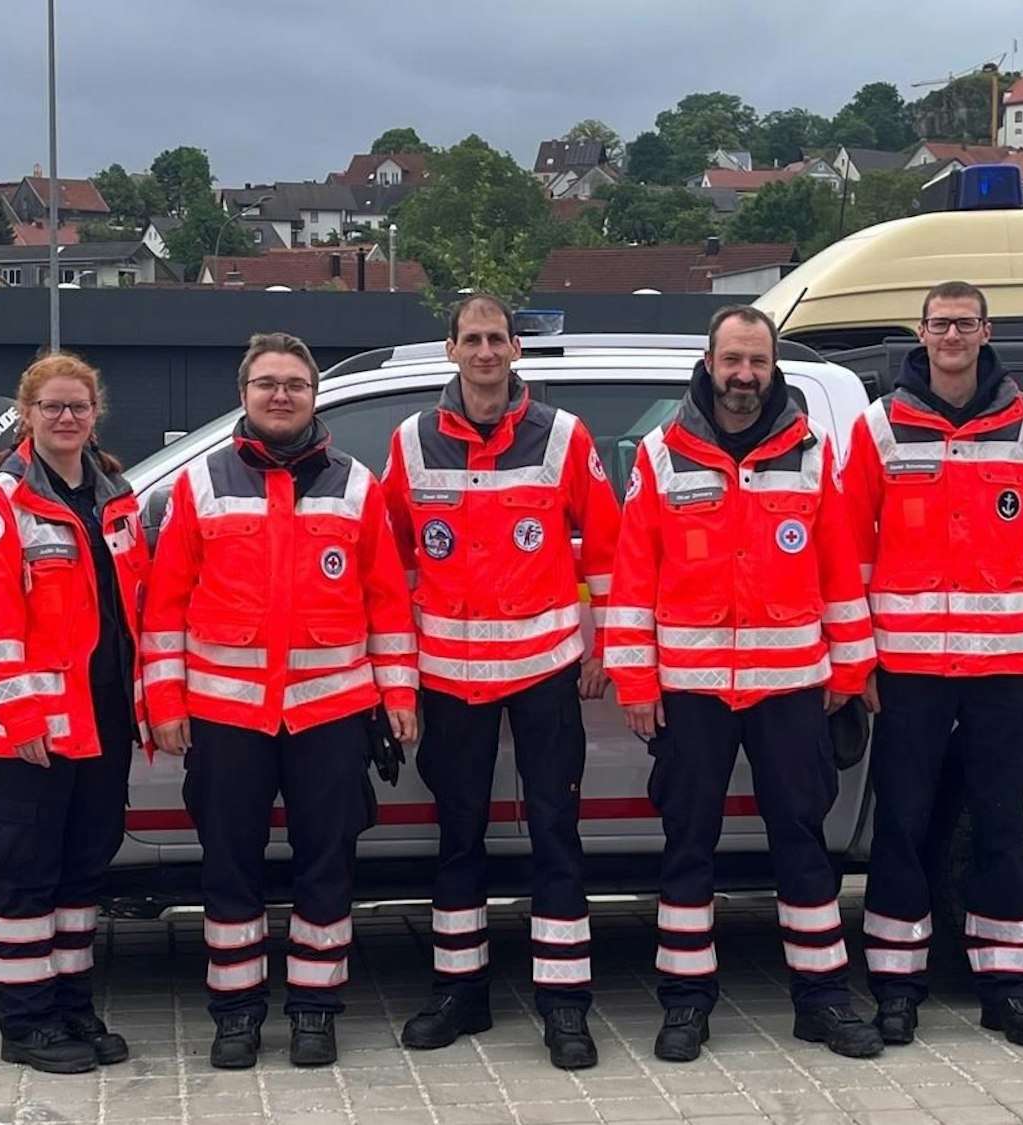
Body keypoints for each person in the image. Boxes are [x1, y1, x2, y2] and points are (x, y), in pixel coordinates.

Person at [603, 305, 883, 1064]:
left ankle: (822, 998)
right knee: (686, 845)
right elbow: (634, 578)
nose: (744, 375)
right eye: (733, 360)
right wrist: (635, 677)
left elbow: (838, 571)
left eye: (757, 361)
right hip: (691, 690)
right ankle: (686, 1003)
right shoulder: (663, 455)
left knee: (804, 844)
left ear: (771, 367)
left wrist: (852, 669)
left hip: (793, 685)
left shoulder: (809, 452)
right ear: (710, 361)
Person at [145, 332, 420, 1070]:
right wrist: (165, 701)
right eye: (267, 383)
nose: (281, 394)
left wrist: (398, 692)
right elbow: (165, 605)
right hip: (227, 714)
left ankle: (314, 1009)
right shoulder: (201, 485)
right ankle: (235, 1012)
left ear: (313, 395)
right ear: (244, 394)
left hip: (331, 714)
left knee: (325, 864)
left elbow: (387, 605)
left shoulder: (356, 486)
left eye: (295, 383)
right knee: (228, 865)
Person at [842, 281, 1023, 1049]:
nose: (951, 335)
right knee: (903, 827)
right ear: (922, 332)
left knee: (1002, 826)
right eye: (940, 323)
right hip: (905, 669)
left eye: (964, 323)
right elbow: (850, 551)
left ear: (986, 331)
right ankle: (896, 985)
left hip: (1004, 669)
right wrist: (859, 664)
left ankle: (1008, 987)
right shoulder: (880, 426)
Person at [382, 293, 622, 1071]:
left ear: (516, 349)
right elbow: (393, 561)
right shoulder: (412, 441)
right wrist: (401, 671)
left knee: (557, 833)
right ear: (449, 349)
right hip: (449, 675)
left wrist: (604, 645)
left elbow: (606, 549)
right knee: (458, 840)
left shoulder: (562, 437)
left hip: (545, 668)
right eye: (472, 338)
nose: (486, 351)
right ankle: (462, 992)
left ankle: (564, 1003)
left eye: (497, 338)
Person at [0, 351, 147, 1074]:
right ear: (27, 415)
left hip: (102, 722)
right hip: (35, 730)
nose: (67, 418)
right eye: (53, 408)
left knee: (80, 878)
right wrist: (23, 720)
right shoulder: (0, 503)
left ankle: (73, 1005)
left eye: (78, 407)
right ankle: (25, 1022)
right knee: (26, 881)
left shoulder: (115, 495)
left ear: (94, 414)